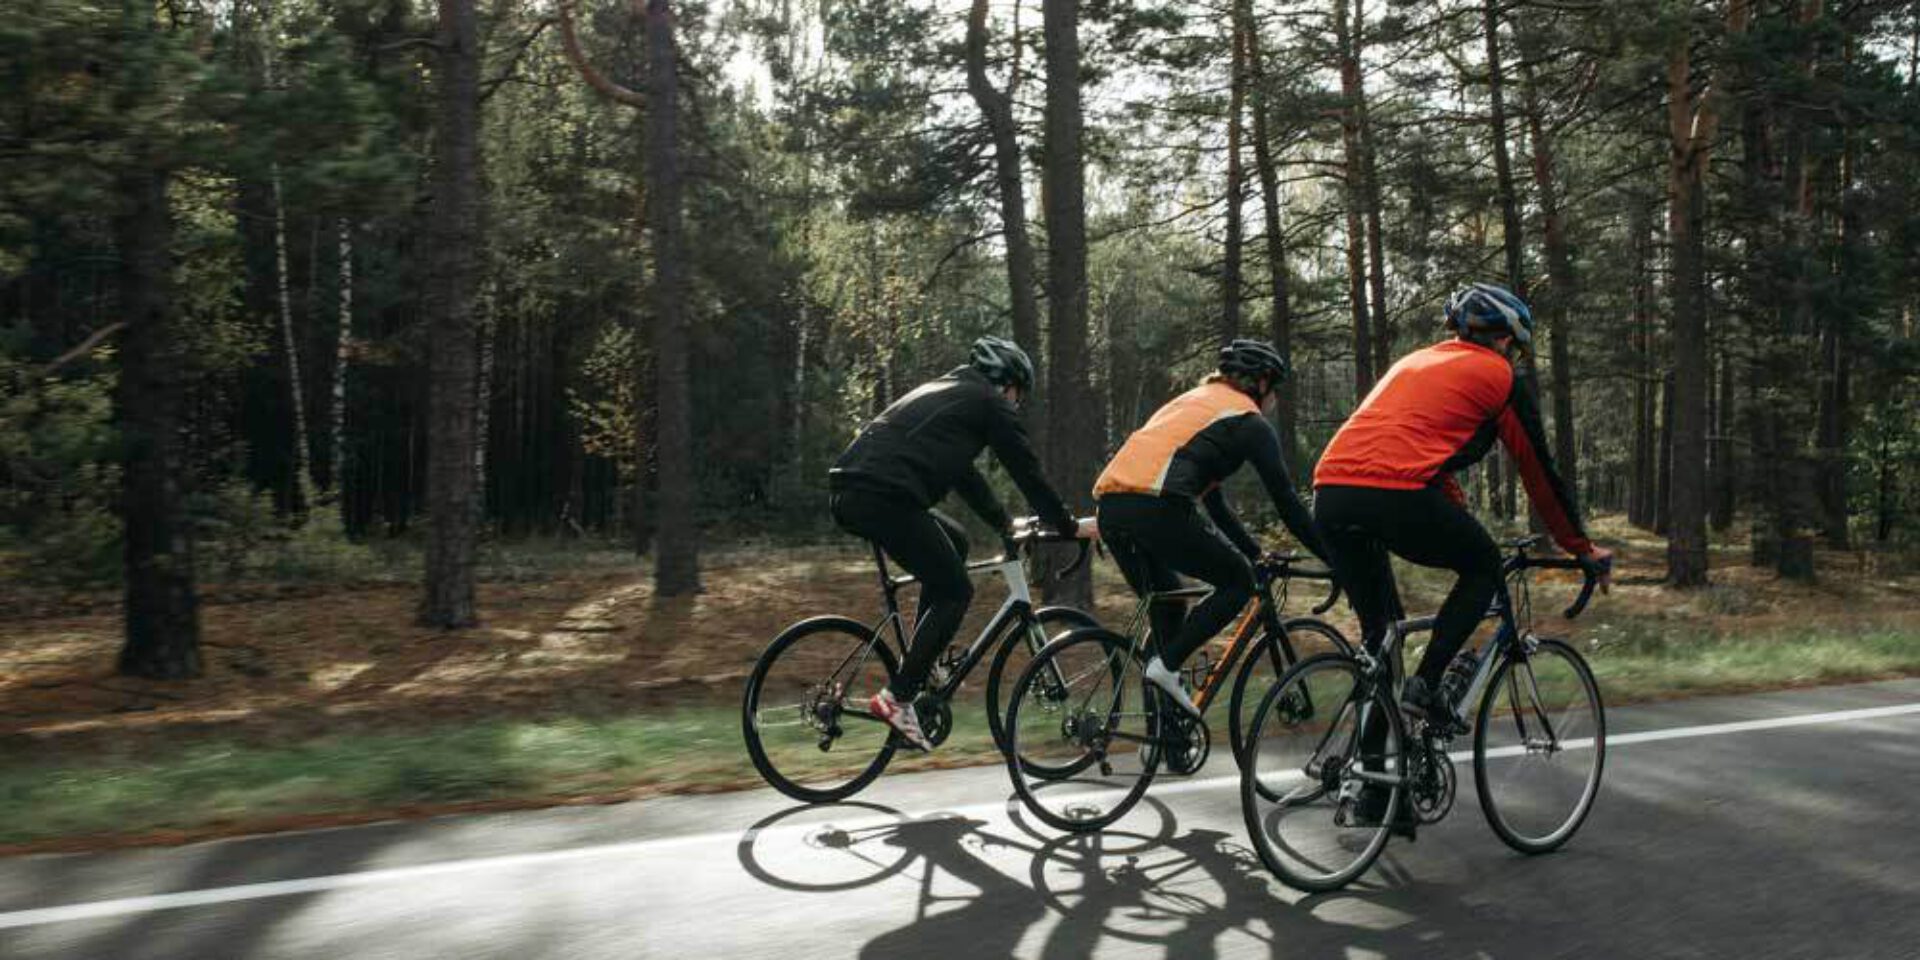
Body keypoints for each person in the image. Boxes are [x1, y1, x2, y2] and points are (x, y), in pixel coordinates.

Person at [1313, 282, 1612, 829]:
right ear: (1503, 338)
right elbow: (1539, 473)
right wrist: (1581, 547)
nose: (1512, 357)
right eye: (1513, 346)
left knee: (1381, 639)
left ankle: (1376, 793)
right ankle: (1426, 685)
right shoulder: (1499, 379)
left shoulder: (1418, 362)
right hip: (1393, 493)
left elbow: (1411, 450)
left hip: (1331, 492)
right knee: (1481, 565)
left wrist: (1450, 503)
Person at [829, 336, 1081, 751]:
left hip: (857, 489)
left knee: (955, 546)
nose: (1017, 404)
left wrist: (1002, 522)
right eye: (1019, 394)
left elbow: (965, 476)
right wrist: (1064, 524)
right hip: (882, 496)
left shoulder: (953, 393)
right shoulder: (988, 402)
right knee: (957, 589)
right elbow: (1026, 470)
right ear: (1007, 383)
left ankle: (919, 667)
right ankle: (898, 697)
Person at [1092, 338, 1333, 718]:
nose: (1274, 401)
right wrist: (1335, 559)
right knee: (1237, 582)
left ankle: (1165, 735)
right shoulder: (1248, 422)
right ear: (1262, 383)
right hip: (1156, 506)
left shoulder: (1197, 403)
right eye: (1275, 390)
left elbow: (1214, 504)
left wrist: (1254, 552)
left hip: (1112, 508)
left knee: (1169, 605)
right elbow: (1287, 503)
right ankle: (1167, 666)